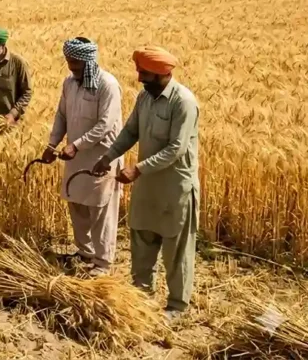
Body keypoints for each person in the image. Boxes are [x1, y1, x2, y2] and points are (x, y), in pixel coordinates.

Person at [92, 46, 199, 321]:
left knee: (176, 250)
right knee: (141, 239)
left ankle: (177, 306)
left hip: (175, 188)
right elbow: (131, 131)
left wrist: (137, 169)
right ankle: (141, 297)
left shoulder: (183, 102)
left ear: (163, 74)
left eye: (145, 73)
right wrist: (109, 156)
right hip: (147, 186)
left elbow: (176, 148)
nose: (139, 78)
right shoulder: (145, 97)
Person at [42, 38, 123, 275]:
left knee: (100, 209)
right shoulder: (69, 83)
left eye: (76, 63)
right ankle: (84, 252)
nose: (71, 68)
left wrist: (76, 145)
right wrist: (52, 144)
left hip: (101, 157)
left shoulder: (107, 85)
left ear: (89, 61)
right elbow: (61, 116)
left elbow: (106, 124)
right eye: (69, 62)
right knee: (76, 204)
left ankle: (103, 262)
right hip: (74, 157)